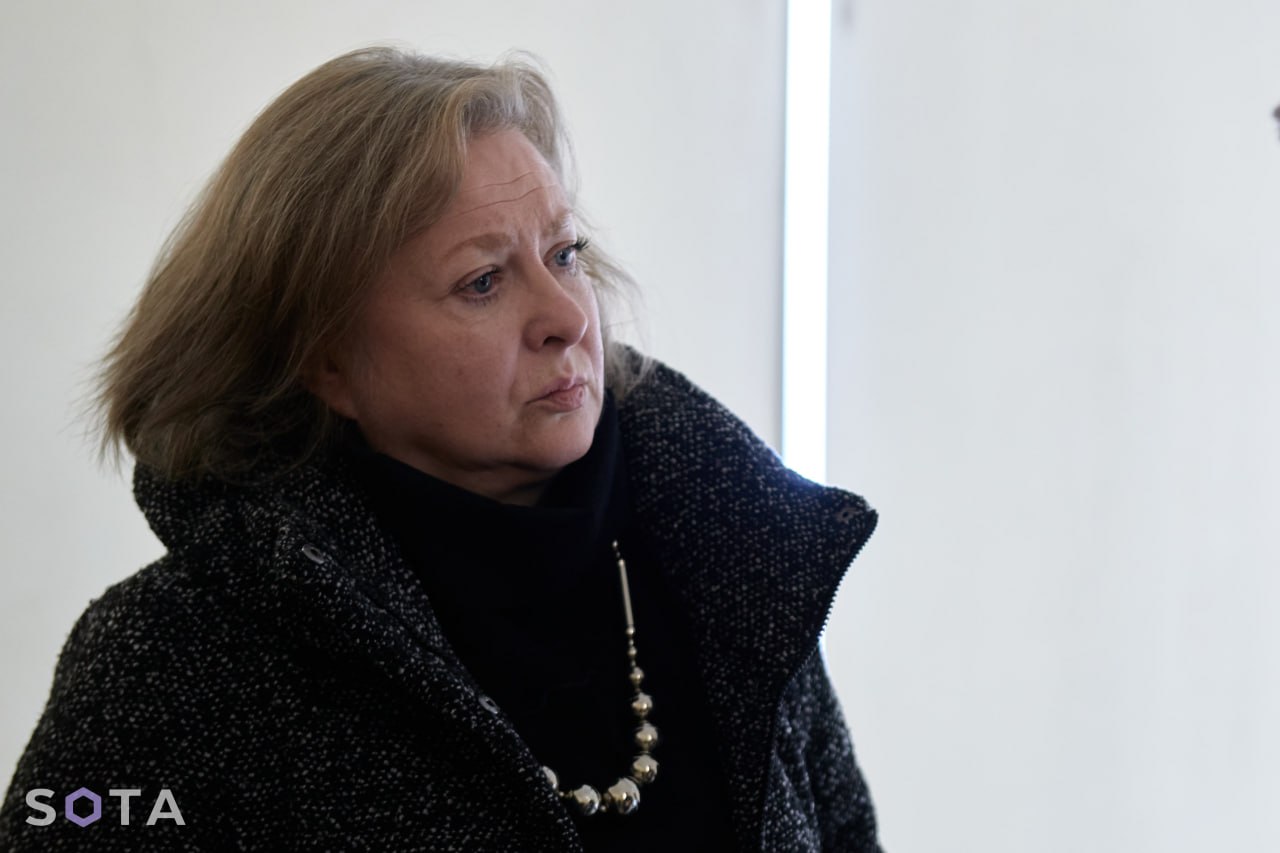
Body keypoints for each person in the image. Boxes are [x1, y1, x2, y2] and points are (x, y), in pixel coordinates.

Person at [0, 47, 880, 851]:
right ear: (327, 361)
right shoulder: (169, 666)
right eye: (483, 281)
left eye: (565, 253)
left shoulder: (728, 561)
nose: (568, 317)